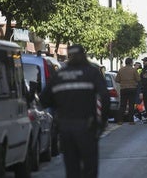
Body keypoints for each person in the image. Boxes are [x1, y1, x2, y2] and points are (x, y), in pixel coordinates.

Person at [39, 44, 110, 178]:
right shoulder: (91, 72)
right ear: (84, 55)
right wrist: (101, 122)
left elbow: (44, 100)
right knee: (90, 168)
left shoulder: (59, 75)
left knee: (71, 168)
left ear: (69, 56)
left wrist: (59, 105)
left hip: (65, 128)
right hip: (87, 127)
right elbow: (104, 97)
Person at [115, 58, 140, 125]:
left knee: (123, 105)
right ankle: (131, 121)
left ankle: (120, 120)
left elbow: (117, 80)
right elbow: (138, 79)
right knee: (131, 105)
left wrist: (123, 82)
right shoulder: (134, 70)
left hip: (123, 89)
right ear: (131, 63)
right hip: (132, 89)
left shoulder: (121, 70)